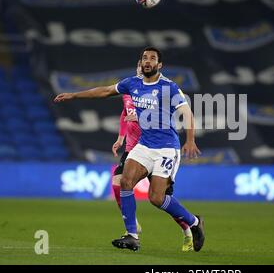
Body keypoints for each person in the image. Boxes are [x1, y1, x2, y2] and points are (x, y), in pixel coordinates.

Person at [54, 46, 205, 252]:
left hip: (167, 148)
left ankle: (194, 222)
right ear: (141, 62)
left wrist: (190, 139)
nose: (148, 61)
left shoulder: (168, 87)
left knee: (156, 198)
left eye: (152, 58)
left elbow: (186, 112)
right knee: (125, 181)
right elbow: (105, 91)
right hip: (144, 145)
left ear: (159, 65)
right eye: (145, 58)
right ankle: (132, 235)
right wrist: (74, 95)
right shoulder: (131, 83)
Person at [111, 62, 194, 252]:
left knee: (161, 198)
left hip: (157, 148)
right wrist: (120, 138)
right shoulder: (129, 91)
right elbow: (125, 114)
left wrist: (141, 119)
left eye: (145, 65)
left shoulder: (158, 93)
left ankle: (188, 229)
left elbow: (160, 117)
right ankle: (132, 228)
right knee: (119, 182)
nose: (141, 69)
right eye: (139, 66)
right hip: (135, 148)